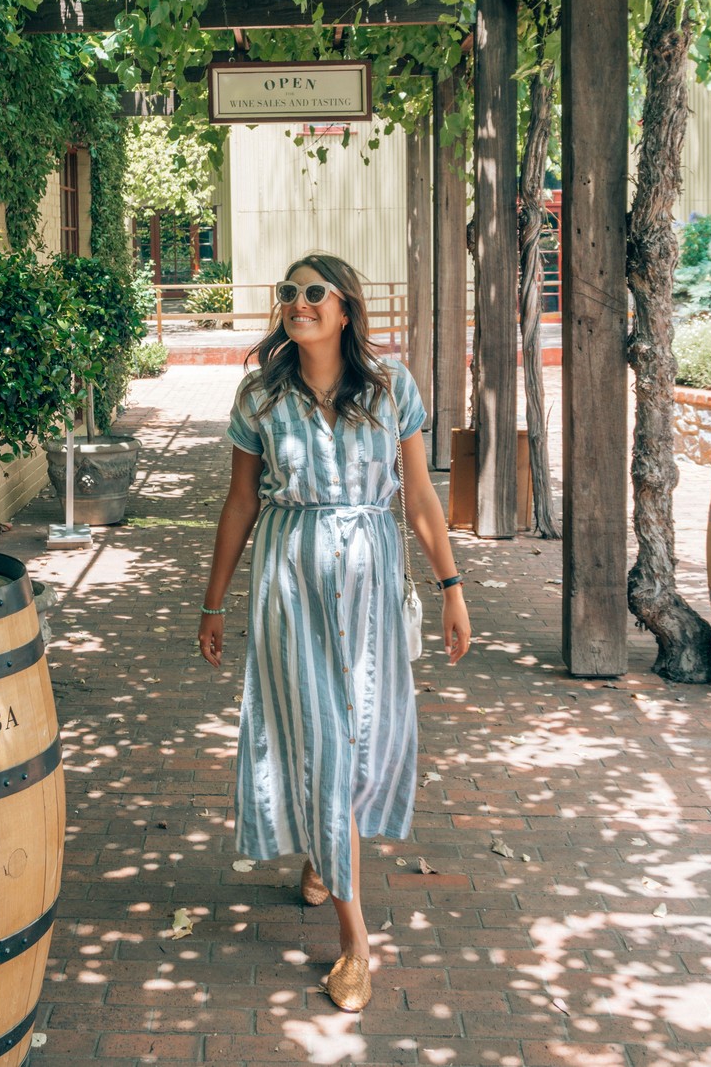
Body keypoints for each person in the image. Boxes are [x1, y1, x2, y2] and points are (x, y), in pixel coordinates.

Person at [198, 252, 470, 1012]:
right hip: (290, 587)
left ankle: (324, 853)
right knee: (321, 741)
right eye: (288, 292)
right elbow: (240, 505)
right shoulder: (260, 395)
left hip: (373, 591)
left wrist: (452, 588)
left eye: (313, 292)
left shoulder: (392, 387)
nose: (297, 302)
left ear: (345, 307)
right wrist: (214, 601)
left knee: (356, 745)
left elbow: (418, 496)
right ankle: (356, 941)